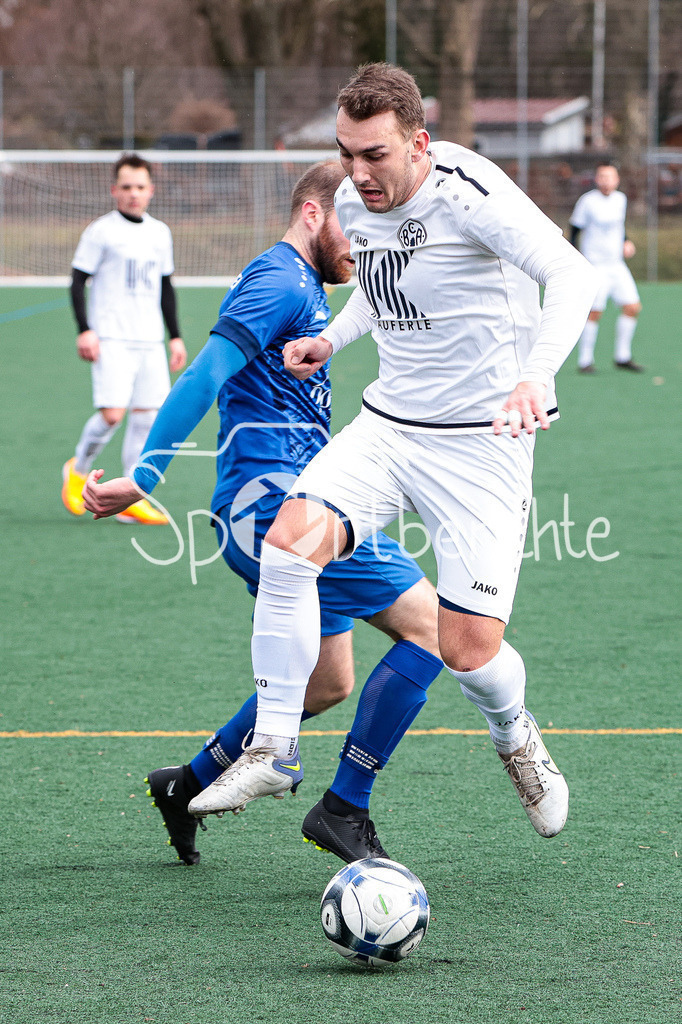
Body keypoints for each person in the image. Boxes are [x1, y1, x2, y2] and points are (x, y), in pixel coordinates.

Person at [167, 62, 600, 843]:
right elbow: (379, 284)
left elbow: (570, 273)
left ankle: (514, 734)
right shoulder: (348, 200)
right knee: (290, 542)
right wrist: (333, 336)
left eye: (374, 155)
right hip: (389, 427)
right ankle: (273, 746)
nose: (357, 174)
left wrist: (535, 378)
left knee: (468, 651)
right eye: (346, 153)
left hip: (482, 445)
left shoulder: (472, 192)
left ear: (418, 143)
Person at [83, 160, 444, 865]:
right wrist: (145, 476)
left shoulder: (309, 286)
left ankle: (185, 782)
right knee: (436, 630)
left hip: (291, 502)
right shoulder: (279, 278)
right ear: (314, 212)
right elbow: (205, 373)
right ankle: (345, 807)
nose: (361, 242)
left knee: (327, 681)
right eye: (353, 225)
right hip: (272, 504)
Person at [61, 153, 187, 526]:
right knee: (112, 415)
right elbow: (76, 281)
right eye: (127, 187)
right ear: (115, 190)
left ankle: (130, 496)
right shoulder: (101, 231)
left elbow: (166, 287)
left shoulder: (159, 232)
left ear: (151, 190)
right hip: (111, 336)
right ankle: (78, 468)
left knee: (147, 417)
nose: (134, 193)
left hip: (149, 339)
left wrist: (175, 337)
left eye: (141, 187)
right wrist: (85, 329)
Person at [569, 163, 644, 373]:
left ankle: (622, 356)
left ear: (617, 180)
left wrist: (626, 241)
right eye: (602, 176)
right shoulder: (588, 201)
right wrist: (574, 258)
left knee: (632, 307)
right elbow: (575, 229)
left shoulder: (621, 199)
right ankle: (585, 361)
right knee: (594, 312)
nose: (606, 180)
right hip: (596, 265)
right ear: (596, 179)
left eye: (610, 176)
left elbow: (619, 226)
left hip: (616, 264)